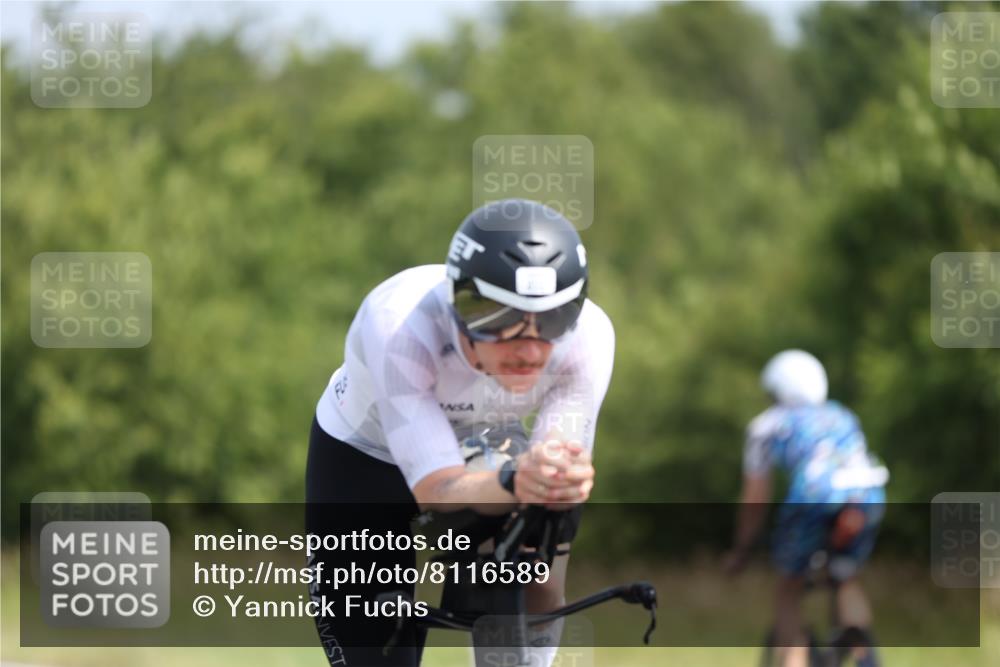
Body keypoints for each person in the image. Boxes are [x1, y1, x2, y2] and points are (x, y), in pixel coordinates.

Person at [305, 199, 614, 667]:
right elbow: (436, 486)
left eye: (553, 319)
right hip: (365, 454)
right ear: (461, 305)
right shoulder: (400, 325)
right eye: (500, 319)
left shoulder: (589, 336)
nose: (528, 349)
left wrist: (554, 477)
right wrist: (514, 482)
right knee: (375, 650)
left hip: (485, 444)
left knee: (538, 568)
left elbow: (555, 466)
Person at [724, 350, 888, 667]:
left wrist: (741, 550)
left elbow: (756, 497)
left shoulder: (766, 425)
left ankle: (793, 660)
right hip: (867, 495)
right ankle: (864, 658)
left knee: (789, 588)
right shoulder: (842, 415)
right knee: (845, 576)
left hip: (815, 496)